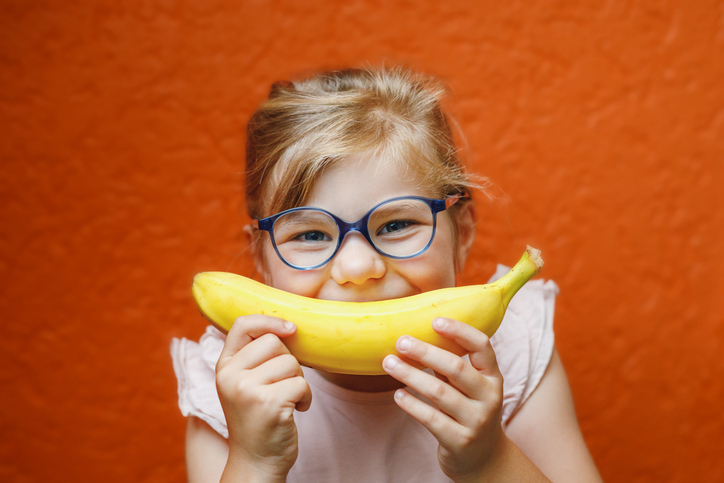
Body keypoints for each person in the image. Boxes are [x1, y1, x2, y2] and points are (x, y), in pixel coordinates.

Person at [171, 66, 602, 482]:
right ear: (261, 259)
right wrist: (256, 463)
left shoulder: (512, 350)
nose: (358, 269)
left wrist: (490, 461)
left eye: (396, 225)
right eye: (310, 234)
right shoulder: (231, 386)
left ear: (463, 233)